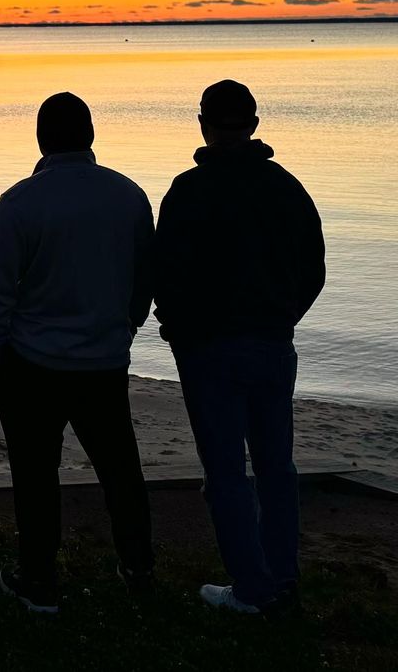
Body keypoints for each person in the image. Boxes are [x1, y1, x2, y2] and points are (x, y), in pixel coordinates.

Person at [0, 92, 155, 614]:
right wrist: (128, 323)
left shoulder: (20, 202)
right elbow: (145, 275)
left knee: (35, 476)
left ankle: (39, 580)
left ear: (40, 139)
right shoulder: (129, 197)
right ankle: (139, 566)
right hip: (103, 359)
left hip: (32, 363)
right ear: (91, 137)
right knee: (120, 469)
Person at [155, 80, 325, 615]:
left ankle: (252, 588)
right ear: (253, 125)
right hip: (272, 344)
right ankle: (281, 578)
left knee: (227, 471)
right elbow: (314, 271)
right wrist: (281, 317)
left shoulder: (187, 191)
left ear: (203, 123)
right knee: (277, 465)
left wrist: (177, 329)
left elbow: (164, 274)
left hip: (210, 351)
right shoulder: (287, 189)